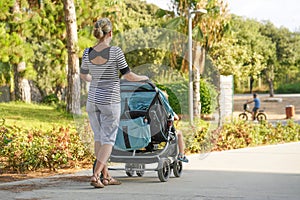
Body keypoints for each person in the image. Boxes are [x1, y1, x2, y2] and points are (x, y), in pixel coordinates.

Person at [80, 18, 148, 188]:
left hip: (93, 100)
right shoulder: (115, 52)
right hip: (109, 101)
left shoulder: (87, 52)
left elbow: (84, 75)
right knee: (108, 139)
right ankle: (96, 175)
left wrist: (95, 79)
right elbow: (128, 76)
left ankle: (106, 176)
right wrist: (143, 78)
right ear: (110, 33)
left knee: (99, 138)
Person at [159, 90, 189, 163]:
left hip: (144, 133)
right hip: (162, 132)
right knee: (179, 133)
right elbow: (176, 118)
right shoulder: (165, 108)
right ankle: (181, 154)